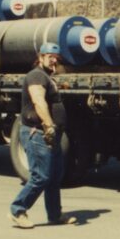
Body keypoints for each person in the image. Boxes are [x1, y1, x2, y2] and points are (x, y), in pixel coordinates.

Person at [9, 42, 78, 228]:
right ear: (40, 57)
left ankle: (54, 215)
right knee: (41, 176)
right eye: (50, 56)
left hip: (49, 134)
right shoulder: (36, 76)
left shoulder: (47, 77)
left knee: (55, 176)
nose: (54, 60)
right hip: (38, 133)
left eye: (57, 58)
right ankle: (18, 210)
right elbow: (39, 101)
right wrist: (48, 126)